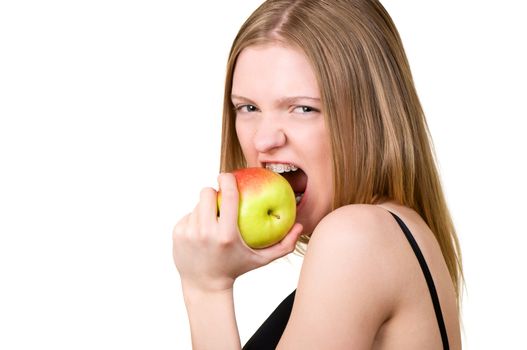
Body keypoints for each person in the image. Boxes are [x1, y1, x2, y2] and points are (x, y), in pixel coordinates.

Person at [172, 0, 463, 348]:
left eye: (303, 108)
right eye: (248, 108)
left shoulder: (356, 237)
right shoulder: (394, 233)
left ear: (370, 120)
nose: (263, 140)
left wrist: (206, 289)